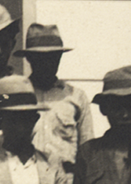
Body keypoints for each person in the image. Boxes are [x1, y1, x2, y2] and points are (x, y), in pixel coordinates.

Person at [17, 23, 94, 162]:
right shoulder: (19, 96)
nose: (47, 63)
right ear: (29, 58)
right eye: (40, 57)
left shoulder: (76, 96)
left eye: (53, 57)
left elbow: (87, 150)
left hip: (66, 180)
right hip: (29, 179)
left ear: (59, 57)